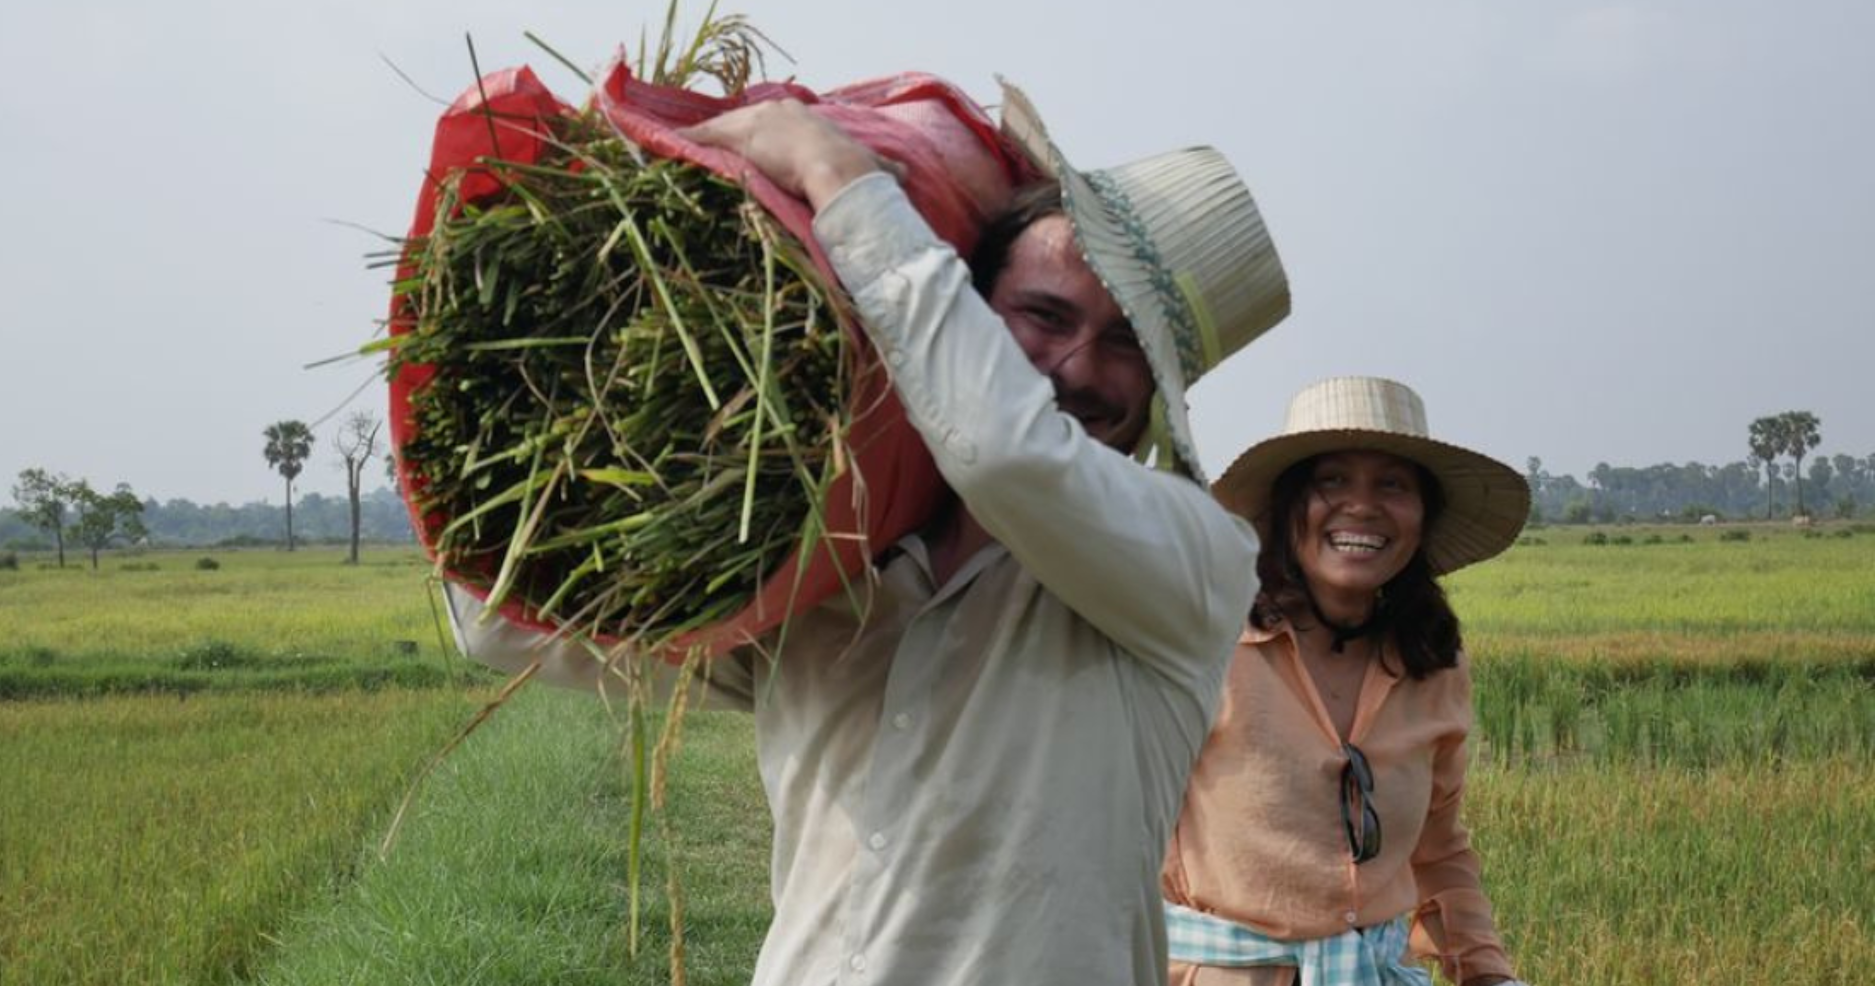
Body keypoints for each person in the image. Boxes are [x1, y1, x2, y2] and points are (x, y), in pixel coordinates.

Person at [448, 81, 1290, 986]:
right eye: (1043, 316)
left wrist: (837, 174)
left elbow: (1008, 456)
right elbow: (507, 628)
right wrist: (522, 410)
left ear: (1162, 395)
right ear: (969, 307)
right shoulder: (834, 565)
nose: (1076, 368)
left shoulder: (1193, 557)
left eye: (1126, 344)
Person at [1160, 376, 1533, 986]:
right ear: (1288, 508)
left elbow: (1438, 852)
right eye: (1331, 480)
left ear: (1421, 517)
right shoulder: (1204, 640)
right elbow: (1111, 827)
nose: (1361, 505)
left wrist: (1486, 973)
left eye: (1392, 484)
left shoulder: (1432, 664)